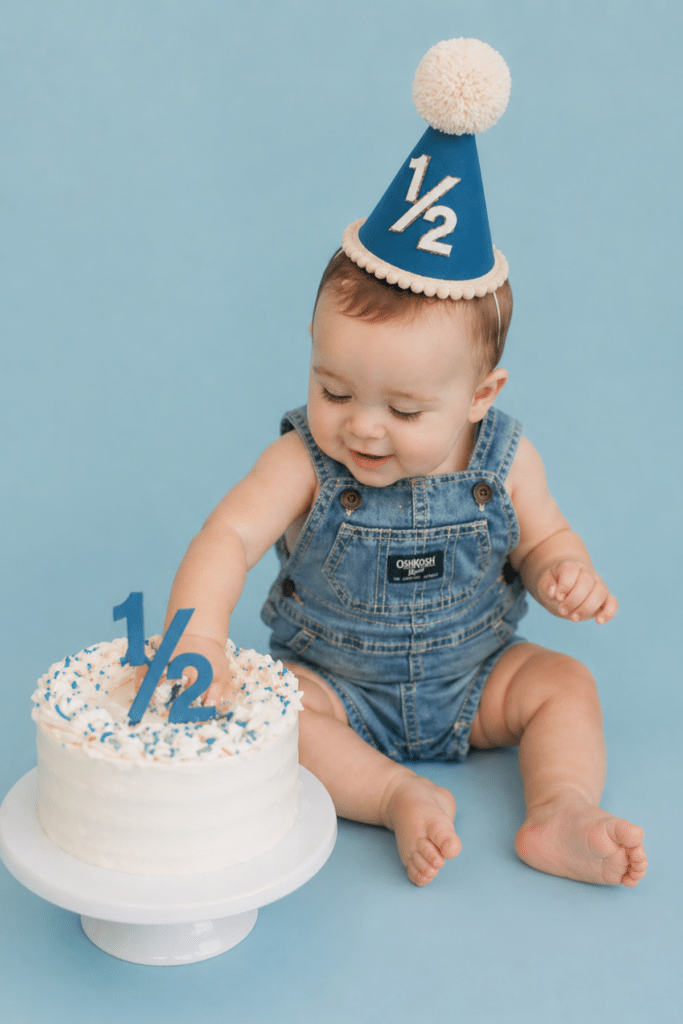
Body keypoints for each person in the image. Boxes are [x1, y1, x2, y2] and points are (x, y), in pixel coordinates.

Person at [159, 39, 647, 887]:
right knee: (277, 713)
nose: (363, 430)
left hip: (477, 679)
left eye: (406, 410)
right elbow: (228, 536)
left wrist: (564, 568)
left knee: (563, 683)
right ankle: (389, 793)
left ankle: (559, 809)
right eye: (334, 390)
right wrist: (200, 633)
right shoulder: (302, 461)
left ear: (479, 395)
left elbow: (542, 540)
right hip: (335, 689)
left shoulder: (507, 458)